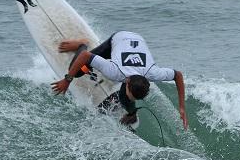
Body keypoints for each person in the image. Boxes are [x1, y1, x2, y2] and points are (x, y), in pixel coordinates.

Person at [51, 31, 188, 129]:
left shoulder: (153, 73)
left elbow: (178, 75)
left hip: (138, 39)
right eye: (130, 94)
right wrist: (67, 80)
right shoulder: (115, 72)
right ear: (126, 81)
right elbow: (85, 56)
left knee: (125, 98)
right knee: (78, 72)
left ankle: (131, 113)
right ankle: (82, 43)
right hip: (119, 38)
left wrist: (181, 107)